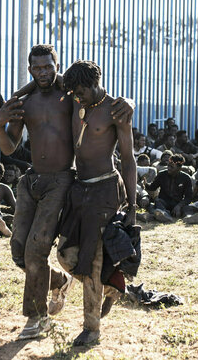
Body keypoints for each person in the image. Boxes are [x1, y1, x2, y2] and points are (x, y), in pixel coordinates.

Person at [0, 44, 133, 340]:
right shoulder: (35, 100)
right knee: (37, 252)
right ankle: (61, 281)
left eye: (49, 67)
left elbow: (102, 99)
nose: (43, 72)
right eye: (37, 68)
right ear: (30, 70)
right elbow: (9, 146)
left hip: (73, 183)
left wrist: (129, 102)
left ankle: (55, 321)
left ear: (57, 66)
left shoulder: (74, 96)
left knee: (56, 252)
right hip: (47, 184)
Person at [54, 60, 136, 346]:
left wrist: (133, 207)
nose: (77, 98)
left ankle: (92, 329)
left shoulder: (116, 109)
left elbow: (128, 159)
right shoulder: (75, 99)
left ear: (95, 84)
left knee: (91, 260)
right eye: (73, 93)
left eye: (80, 92)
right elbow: (47, 75)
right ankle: (112, 286)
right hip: (80, 189)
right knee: (65, 255)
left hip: (105, 190)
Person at [144, 154, 192, 222]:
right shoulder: (161, 174)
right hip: (163, 203)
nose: (168, 168)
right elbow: (152, 187)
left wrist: (179, 206)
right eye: (168, 166)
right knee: (157, 201)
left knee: (187, 208)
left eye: (171, 167)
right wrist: (146, 184)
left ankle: (188, 217)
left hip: (177, 203)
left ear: (179, 168)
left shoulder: (186, 178)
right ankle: (164, 215)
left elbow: (188, 197)